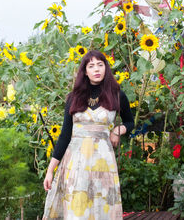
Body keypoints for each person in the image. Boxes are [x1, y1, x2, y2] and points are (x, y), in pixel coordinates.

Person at [42, 50, 134, 219]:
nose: (96, 69)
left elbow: (130, 122)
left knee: (102, 209)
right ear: (85, 71)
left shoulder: (117, 95)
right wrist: (50, 171)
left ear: (105, 68)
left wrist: (116, 130)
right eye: (91, 66)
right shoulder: (74, 98)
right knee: (77, 210)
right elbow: (64, 136)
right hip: (75, 164)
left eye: (100, 65)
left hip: (103, 165)